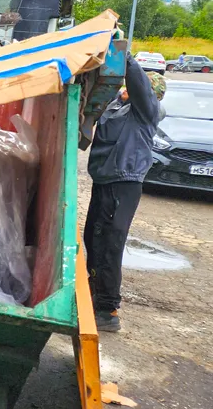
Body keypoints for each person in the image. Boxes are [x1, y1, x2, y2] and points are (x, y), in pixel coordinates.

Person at [85, 52, 166, 332]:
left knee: (110, 242)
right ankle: (92, 294)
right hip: (104, 180)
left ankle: (108, 310)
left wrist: (126, 58)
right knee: (93, 236)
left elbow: (140, 87)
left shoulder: (146, 111)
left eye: (130, 89)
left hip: (124, 182)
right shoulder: (118, 108)